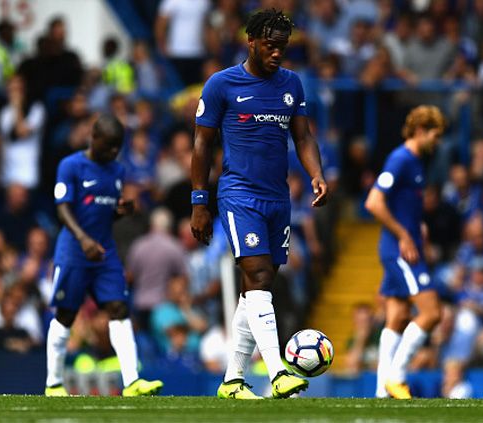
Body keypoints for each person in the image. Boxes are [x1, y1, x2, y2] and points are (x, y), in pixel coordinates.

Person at [191, 9, 328, 400]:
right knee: (260, 278)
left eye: (282, 47)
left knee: (254, 291)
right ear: (250, 41)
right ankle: (278, 373)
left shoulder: (292, 85)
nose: (277, 54)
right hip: (238, 194)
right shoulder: (222, 85)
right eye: (270, 46)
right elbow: (202, 144)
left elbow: (303, 137)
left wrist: (316, 173)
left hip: (277, 198)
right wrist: (199, 201)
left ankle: (233, 380)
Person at [44, 115, 162, 397]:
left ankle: (132, 382)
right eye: (109, 146)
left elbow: (105, 210)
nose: (113, 152)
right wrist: (83, 239)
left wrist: (121, 211)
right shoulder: (71, 166)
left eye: (117, 147)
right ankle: (53, 383)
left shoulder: (117, 171)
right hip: (74, 251)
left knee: (119, 309)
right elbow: (63, 208)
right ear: (93, 137)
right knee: (66, 315)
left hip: (105, 253)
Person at [364, 105, 445, 399]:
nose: (438, 142)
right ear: (421, 131)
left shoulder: (416, 162)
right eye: (435, 136)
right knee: (433, 312)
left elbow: (400, 204)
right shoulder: (401, 159)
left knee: (397, 316)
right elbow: (374, 202)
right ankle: (396, 378)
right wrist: (404, 234)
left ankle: (380, 392)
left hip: (404, 246)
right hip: (402, 250)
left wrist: (416, 225)